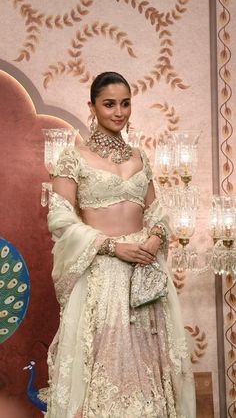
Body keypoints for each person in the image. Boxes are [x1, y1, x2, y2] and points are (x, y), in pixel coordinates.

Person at [45, 72, 196, 418]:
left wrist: (155, 237)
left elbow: (158, 214)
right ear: (92, 106)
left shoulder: (139, 157)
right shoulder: (73, 157)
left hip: (144, 275)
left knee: (149, 369)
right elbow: (60, 220)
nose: (119, 112)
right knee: (107, 367)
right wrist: (114, 248)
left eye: (125, 103)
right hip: (102, 275)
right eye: (109, 104)